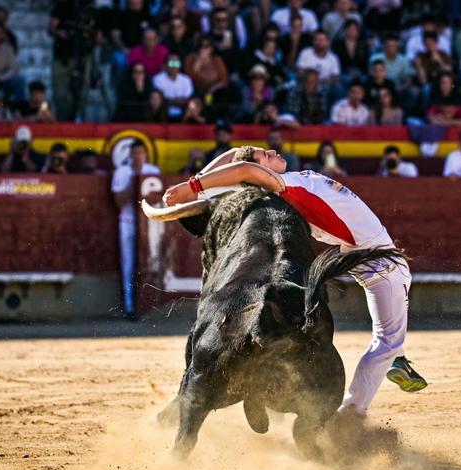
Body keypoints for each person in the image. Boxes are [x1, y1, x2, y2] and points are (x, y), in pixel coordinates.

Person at [161, 145, 428, 421]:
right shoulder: (284, 186)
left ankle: (396, 357)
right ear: (262, 172)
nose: (272, 150)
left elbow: (238, 158)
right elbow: (243, 167)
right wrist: (192, 186)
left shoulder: (283, 186)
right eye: (264, 154)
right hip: (379, 258)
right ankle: (352, 413)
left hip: (359, 253)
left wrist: (199, 185)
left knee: (390, 339)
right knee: (387, 341)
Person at [112, 139, 161, 320]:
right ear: (129, 155)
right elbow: (119, 201)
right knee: (128, 265)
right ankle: (130, 307)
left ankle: (150, 304)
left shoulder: (153, 172)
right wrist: (134, 179)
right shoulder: (122, 172)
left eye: (140, 153)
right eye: (134, 153)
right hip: (128, 221)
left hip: (150, 224)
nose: (137, 156)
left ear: (145, 154)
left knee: (152, 262)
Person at [153, 54, 195, 121]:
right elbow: (162, 98)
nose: (174, 66)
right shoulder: (157, 79)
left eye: (176, 63)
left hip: (183, 110)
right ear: (165, 65)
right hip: (163, 110)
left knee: (193, 104)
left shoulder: (186, 80)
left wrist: (172, 101)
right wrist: (175, 101)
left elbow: (187, 99)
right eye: (172, 63)